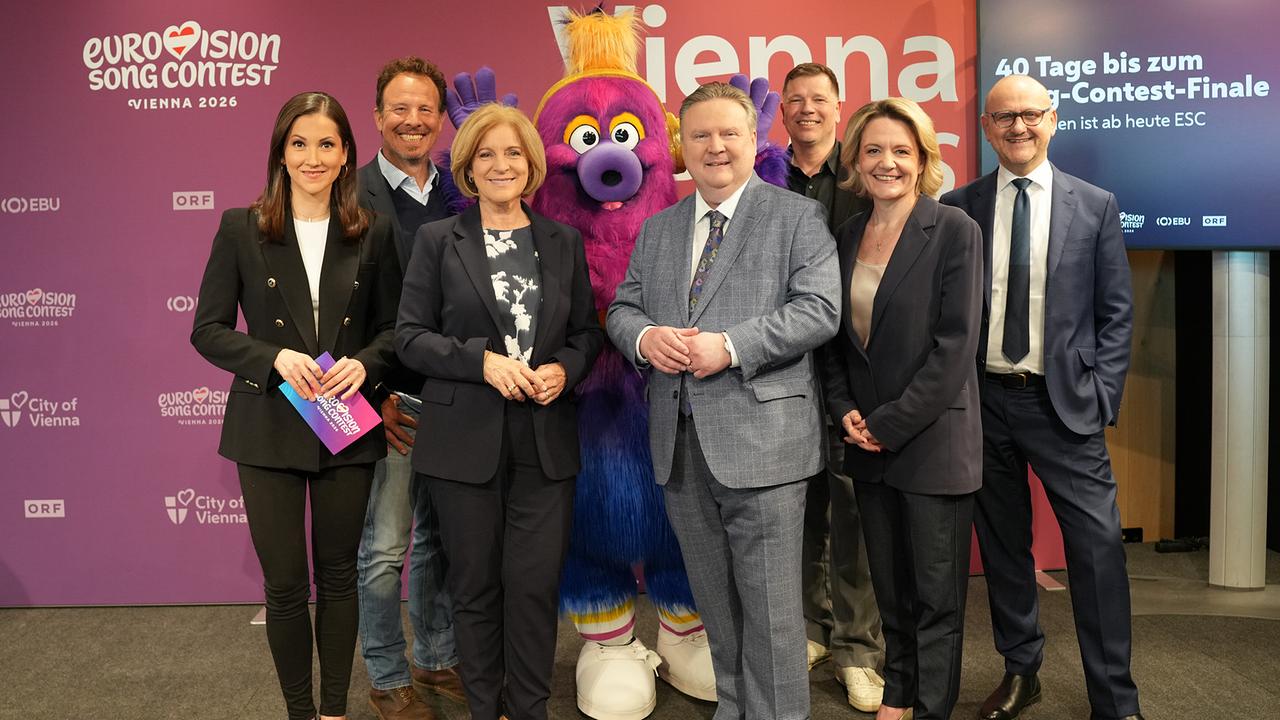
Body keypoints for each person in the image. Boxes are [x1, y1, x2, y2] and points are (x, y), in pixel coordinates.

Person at [607, 81, 841, 720]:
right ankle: (736, 709)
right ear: (682, 147)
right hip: (680, 450)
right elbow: (623, 308)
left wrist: (732, 347)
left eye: (729, 133)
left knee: (770, 613)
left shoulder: (796, 216)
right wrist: (646, 338)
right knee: (717, 607)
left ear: (754, 139)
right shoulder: (659, 229)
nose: (715, 147)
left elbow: (819, 309)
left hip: (765, 448)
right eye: (701, 135)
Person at [191, 91, 402, 720]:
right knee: (284, 585)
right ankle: (300, 713)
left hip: (345, 420)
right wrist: (273, 358)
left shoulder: (373, 230)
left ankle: (333, 710)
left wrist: (367, 364)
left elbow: (396, 329)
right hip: (267, 425)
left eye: (327, 144)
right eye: (300, 143)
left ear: (346, 155)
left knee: (339, 577)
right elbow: (208, 330)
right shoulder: (241, 227)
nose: (314, 157)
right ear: (281, 153)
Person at [941, 74, 1143, 720]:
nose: (1019, 127)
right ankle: (1021, 671)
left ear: (1052, 120)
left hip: (1065, 407)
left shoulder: (1096, 205)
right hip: (982, 404)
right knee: (1003, 549)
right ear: (986, 128)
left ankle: (1115, 698)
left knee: (1097, 551)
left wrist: (1102, 395)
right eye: (1004, 117)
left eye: (1031, 114)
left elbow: (1116, 314)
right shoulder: (958, 206)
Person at [394, 102, 603, 720]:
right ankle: (485, 708)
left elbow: (586, 333)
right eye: (486, 154)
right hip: (463, 441)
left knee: (534, 588)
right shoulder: (438, 240)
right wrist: (480, 361)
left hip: (544, 441)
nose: (500, 164)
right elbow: (409, 337)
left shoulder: (562, 240)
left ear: (531, 164)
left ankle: (530, 708)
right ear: (467, 167)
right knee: (475, 588)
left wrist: (565, 368)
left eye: (513, 152)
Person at [820, 97, 982, 720]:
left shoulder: (954, 230)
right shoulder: (844, 237)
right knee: (890, 590)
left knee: (936, 598)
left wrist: (887, 425)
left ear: (923, 159)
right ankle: (900, 693)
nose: (887, 162)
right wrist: (845, 411)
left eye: (901, 151)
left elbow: (954, 349)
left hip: (932, 443)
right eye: (874, 150)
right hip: (866, 445)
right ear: (856, 162)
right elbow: (836, 343)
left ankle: (931, 707)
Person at [355, 56, 464, 720]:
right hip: (387, 400)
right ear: (377, 117)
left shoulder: (462, 190)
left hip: (455, 397)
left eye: (426, 108)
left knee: (440, 540)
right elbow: (333, 312)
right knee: (385, 547)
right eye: (400, 108)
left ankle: (436, 658)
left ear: (442, 118)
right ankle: (387, 676)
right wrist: (369, 399)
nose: (414, 120)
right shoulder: (348, 193)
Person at [780, 61, 884, 713]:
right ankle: (810, 630)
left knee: (853, 516)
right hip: (782, 373)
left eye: (819, 98)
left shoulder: (865, 175)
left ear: (839, 107)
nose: (807, 109)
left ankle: (858, 651)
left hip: (853, 373)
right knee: (797, 514)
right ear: (781, 112)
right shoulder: (764, 176)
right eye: (795, 99)